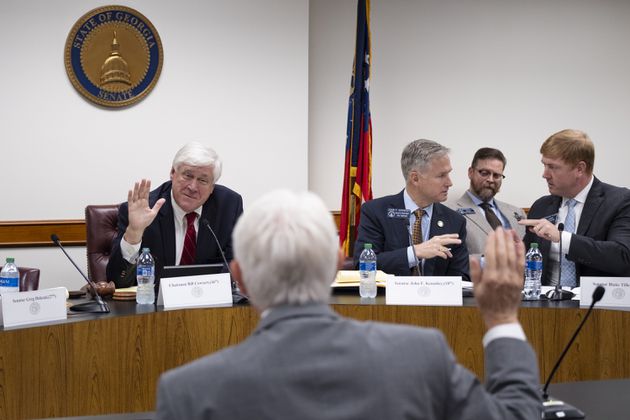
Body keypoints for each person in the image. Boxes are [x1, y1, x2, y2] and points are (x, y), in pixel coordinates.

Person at [155, 189, 541, 420]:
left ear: (239, 276)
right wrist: (503, 318)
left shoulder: (186, 391)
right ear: (336, 268)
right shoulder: (422, 355)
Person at [106, 142, 243, 288]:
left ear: (212, 187)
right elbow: (117, 281)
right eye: (187, 175)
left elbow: (235, 266)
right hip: (156, 306)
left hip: (208, 303)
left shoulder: (229, 205)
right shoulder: (142, 211)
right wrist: (134, 233)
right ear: (172, 173)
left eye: (203, 180)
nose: (192, 187)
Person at [520, 129, 630, 287]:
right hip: (544, 307)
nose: (545, 174)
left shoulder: (620, 201)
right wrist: (515, 253)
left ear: (580, 169)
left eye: (553, 167)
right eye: (544, 165)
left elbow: (622, 256)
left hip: (597, 306)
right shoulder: (541, 206)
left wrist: (562, 238)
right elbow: (528, 262)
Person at [353, 139, 469, 279]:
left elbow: (462, 277)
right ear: (415, 178)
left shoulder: (455, 222)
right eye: (441, 176)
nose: (449, 183)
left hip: (437, 300)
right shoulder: (375, 212)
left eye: (448, 174)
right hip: (388, 299)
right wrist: (413, 253)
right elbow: (362, 264)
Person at [447, 147, 525, 257]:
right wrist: (487, 260)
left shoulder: (517, 212)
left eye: (497, 175)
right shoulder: (449, 212)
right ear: (471, 172)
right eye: (484, 173)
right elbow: (450, 260)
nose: (491, 180)